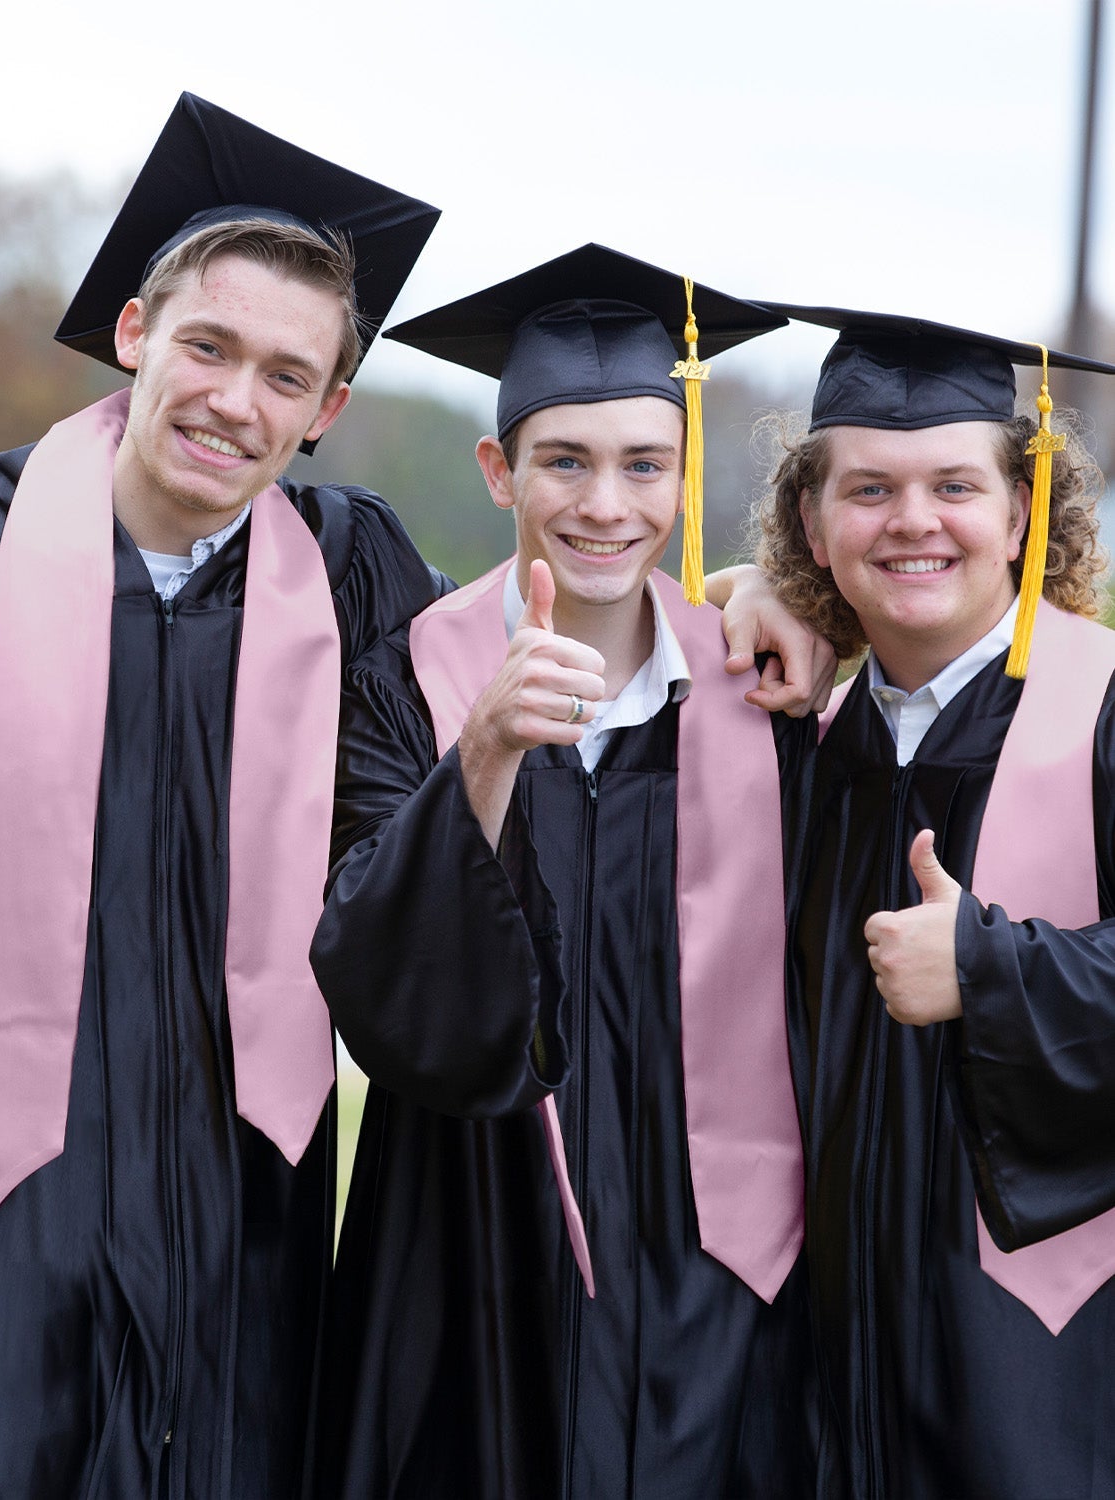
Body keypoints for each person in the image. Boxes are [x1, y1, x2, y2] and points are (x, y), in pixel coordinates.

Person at [0, 95, 444, 1499]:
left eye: (285, 376)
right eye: (208, 346)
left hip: (242, 1176)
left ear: (327, 412)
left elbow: (489, 732)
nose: (235, 401)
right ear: (136, 335)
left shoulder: (355, 570)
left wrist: (749, 611)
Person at [309, 246, 816, 1499]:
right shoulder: (405, 683)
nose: (607, 503)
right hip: (467, 1258)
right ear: (501, 473)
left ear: (685, 474)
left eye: (644, 464)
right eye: (565, 461)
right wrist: (482, 748)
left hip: (715, 1274)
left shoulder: (768, 695)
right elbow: (374, 981)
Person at [747, 306, 1115, 1499]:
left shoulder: (1103, 709)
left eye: (954, 485)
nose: (913, 522)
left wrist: (993, 968)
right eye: (869, 490)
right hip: (824, 1372)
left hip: (1050, 1373)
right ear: (811, 519)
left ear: (1021, 509)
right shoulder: (786, 745)